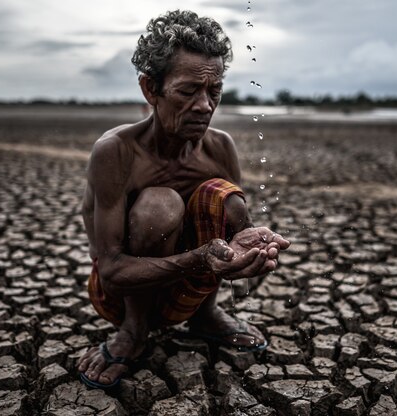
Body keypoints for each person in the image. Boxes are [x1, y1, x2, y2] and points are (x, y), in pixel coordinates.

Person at [77, 9, 290, 389]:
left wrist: (244, 250)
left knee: (226, 199)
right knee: (160, 204)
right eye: (188, 91)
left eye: (214, 90)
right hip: (120, 294)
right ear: (150, 90)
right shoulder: (117, 152)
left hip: (187, 290)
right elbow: (110, 269)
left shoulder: (220, 147)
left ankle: (205, 316)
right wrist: (200, 258)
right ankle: (135, 329)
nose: (205, 105)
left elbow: (231, 232)